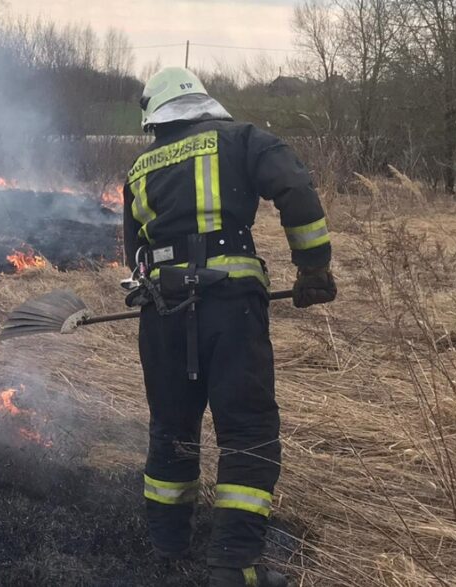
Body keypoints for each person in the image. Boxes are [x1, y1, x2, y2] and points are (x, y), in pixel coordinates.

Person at [122, 67, 337, 587]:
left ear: (156, 116)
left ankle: (166, 549)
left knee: (171, 432)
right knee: (247, 434)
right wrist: (313, 268)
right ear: (202, 102)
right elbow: (296, 188)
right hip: (230, 308)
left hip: (162, 315)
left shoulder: (139, 167)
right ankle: (234, 567)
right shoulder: (243, 138)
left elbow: (133, 255)